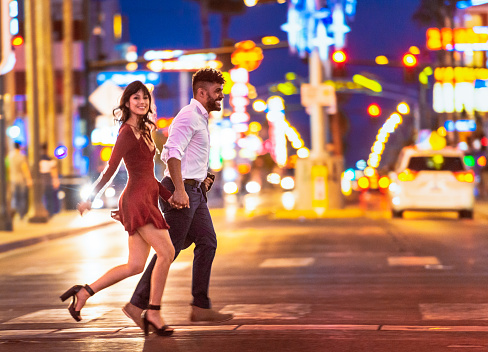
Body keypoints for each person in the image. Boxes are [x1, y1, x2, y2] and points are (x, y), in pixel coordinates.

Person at [60, 81, 176, 337]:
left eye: (145, 98)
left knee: (135, 265)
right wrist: (91, 197)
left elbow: (149, 175)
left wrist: (170, 196)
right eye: (136, 98)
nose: (141, 102)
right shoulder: (126, 132)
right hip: (137, 201)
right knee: (167, 252)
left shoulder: (145, 130)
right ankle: (153, 312)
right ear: (126, 103)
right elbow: (111, 169)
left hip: (147, 197)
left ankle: (83, 292)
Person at [122, 68, 233, 327]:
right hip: (182, 191)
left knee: (206, 242)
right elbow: (172, 152)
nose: (221, 96)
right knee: (168, 250)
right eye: (217, 91)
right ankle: (137, 304)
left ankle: (200, 306)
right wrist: (181, 190)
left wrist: (203, 175)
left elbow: (189, 156)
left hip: (194, 191)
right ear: (202, 92)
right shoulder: (188, 116)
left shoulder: (200, 118)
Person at [7, 142, 32, 220]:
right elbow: (24, 169)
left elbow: (8, 169)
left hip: (12, 179)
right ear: (19, 147)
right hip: (20, 179)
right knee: (21, 197)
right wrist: (29, 179)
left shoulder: (10, 156)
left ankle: (14, 213)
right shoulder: (21, 157)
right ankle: (21, 214)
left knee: (14, 197)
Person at [39, 143, 60, 216]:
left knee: (45, 197)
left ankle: (47, 212)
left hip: (42, 181)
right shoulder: (50, 160)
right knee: (49, 197)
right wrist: (56, 180)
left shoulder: (39, 160)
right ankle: (50, 212)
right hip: (48, 180)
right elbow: (54, 171)